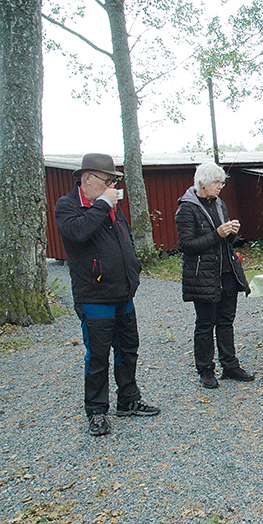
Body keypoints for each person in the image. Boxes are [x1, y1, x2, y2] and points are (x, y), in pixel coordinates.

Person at [54, 153, 161, 437]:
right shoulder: (68, 206)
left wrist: (134, 268)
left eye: (114, 181)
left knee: (128, 349)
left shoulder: (111, 205)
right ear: (87, 178)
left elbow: (123, 239)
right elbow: (78, 233)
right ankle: (97, 411)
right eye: (107, 180)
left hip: (123, 292)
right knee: (98, 355)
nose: (112, 185)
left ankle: (128, 399)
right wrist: (102, 204)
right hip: (94, 296)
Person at [175, 161, 254, 389]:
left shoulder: (219, 204)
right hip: (203, 276)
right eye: (216, 183)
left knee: (226, 322)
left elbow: (225, 243)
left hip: (227, 272)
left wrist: (231, 234)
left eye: (221, 182)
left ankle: (230, 365)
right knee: (205, 323)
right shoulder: (186, 208)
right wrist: (218, 234)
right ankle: (206, 370)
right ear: (202, 183)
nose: (220, 187)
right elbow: (186, 245)